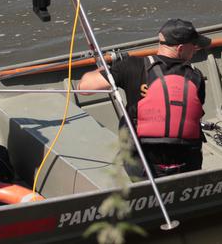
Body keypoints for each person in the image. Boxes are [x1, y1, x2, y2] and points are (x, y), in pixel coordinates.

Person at [79, 19, 210, 179]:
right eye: (194, 46)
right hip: (187, 166)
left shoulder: (132, 66)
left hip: (142, 166)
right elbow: (193, 116)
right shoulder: (196, 77)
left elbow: (85, 88)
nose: (196, 49)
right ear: (181, 48)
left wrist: (106, 69)